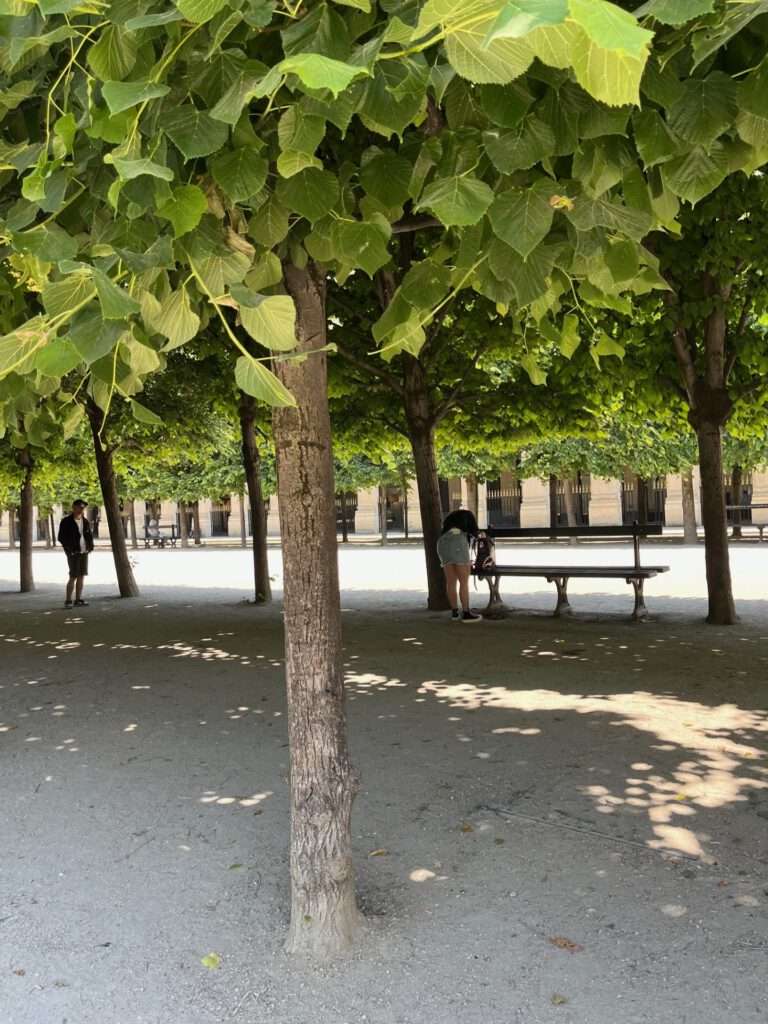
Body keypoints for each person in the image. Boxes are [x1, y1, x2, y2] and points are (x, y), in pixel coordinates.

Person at [436, 508, 482, 622]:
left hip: (442, 543)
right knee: (464, 582)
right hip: (458, 544)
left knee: (451, 582)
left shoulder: (448, 528)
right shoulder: (463, 529)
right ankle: (466, 613)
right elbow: (475, 532)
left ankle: (455, 612)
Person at [57, 499, 93, 609]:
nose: (81, 509)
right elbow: (61, 538)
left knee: (82, 576)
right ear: (73, 507)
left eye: (83, 508)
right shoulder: (66, 521)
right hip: (73, 553)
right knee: (73, 576)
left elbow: (89, 536)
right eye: (79, 507)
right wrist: (70, 550)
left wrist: (90, 547)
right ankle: (68, 600)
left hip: (84, 552)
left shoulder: (85, 521)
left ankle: (78, 599)